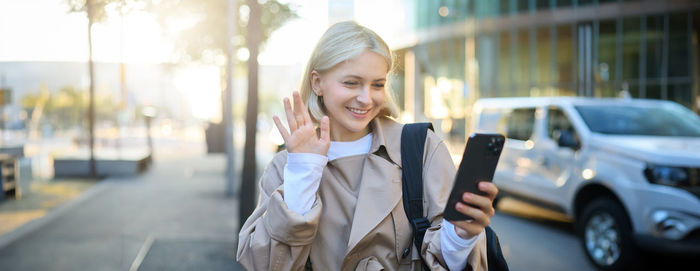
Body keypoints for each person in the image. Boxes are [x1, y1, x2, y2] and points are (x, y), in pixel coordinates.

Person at [237, 21, 499, 271]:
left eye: (378, 85)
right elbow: (266, 263)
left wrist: (462, 236)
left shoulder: (421, 148)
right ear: (317, 83)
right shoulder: (287, 165)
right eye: (351, 82)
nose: (366, 98)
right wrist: (304, 172)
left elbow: (450, 260)